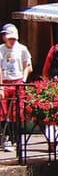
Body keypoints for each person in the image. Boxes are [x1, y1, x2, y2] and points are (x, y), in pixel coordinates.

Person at [0, 24, 31, 152]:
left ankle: (17, 139)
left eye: (13, 39)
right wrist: (1, 86)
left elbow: (28, 66)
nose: (11, 41)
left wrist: (23, 80)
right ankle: (5, 138)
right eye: (9, 38)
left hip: (18, 81)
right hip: (5, 82)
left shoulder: (22, 49)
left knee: (18, 111)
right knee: (2, 111)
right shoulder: (1, 49)